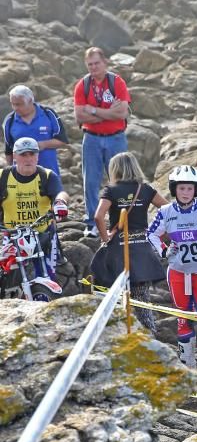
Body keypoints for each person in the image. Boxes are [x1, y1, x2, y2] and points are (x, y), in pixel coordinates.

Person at [147, 166, 197, 386]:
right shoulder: (165, 212)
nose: (185, 192)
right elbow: (151, 234)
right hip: (178, 274)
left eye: (190, 188)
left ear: (196, 189)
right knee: (183, 321)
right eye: (181, 188)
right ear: (174, 189)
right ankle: (188, 371)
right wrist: (164, 251)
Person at [94, 152, 166, 333]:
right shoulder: (146, 189)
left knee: (114, 295)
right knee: (142, 297)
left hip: (118, 246)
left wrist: (105, 238)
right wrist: (159, 234)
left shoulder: (111, 190)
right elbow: (168, 211)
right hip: (141, 246)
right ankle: (150, 336)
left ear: (114, 169)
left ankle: (119, 334)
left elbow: (98, 217)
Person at [73, 47, 131, 236]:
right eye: (90, 64)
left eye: (97, 63)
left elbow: (122, 112)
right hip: (91, 140)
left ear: (105, 62)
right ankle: (91, 223)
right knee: (91, 182)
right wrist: (108, 114)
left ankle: (120, 221)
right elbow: (79, 117)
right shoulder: (83, 85)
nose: (93, 67)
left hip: (116, 138)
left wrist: (93, 110)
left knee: (120, 181)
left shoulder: (117, 82)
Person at [0, 137, 69, 278]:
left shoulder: (47, 175)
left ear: (37, 156)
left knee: (48, 275)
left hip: (42, 235)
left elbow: (60, 193)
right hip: (11, 234)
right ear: (14, 156)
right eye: (23, 154)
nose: (28, 159)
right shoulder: (3, 176)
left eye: (32, 154)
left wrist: (60, 202)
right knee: (6, 276)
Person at [3, 85, 69, 175]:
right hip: (22, 177)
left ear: (30, 100)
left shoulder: (48, 114)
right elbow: (8, 151)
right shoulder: (9, 120)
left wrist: (42, 144)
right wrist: (10, 174)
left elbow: (62, 140)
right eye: (13, 104)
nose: (15, 108)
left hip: (48, 174)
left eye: (19, 104)